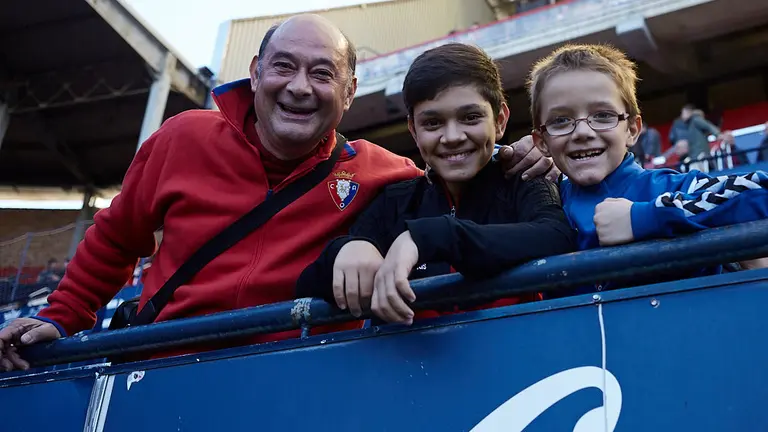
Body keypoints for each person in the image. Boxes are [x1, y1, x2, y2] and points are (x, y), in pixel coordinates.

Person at [0, 15, 554, 371]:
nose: (298, 86)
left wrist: (516, 156)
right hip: (160, 375)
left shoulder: (382, 171)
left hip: (289, 382)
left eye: (322, 73)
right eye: (283, 67)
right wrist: (64, 315)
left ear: (349, 91)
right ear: (255, 70)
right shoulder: (183, 136)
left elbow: (455, 168)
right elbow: (117, 238)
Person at [296, 43, 576, 325]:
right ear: (413, 131)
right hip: (415, 367)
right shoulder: (397, 200)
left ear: (500, 120)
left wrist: (432, 236)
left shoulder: (524, 178)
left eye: (470, 117)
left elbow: (556, 237)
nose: (452, 136)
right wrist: (346, 250)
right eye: (432, 123)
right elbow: (307, 285)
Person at [527, 44, 768, 290]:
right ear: (542, 142)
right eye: (561, 121)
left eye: (603, 116)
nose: (582, 132)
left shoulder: (666, 188)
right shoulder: (543, 207)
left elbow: (761, 190)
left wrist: (644, 217)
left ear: (632, 129)